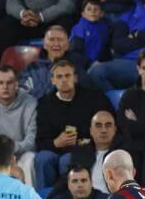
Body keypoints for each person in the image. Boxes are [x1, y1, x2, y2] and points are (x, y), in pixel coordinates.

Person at [35, 60, 113, 189]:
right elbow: (40, 140)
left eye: (68, 76)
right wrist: (55, 143)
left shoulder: (94, 97)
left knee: (67, 160)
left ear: (75, 78)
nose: (64, 80)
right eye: (59, 77)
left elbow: (106, 126)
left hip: (85, 148)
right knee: (42, 158)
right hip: (55, 149)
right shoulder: (44, 104)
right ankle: (44, 197)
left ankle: (70, 198)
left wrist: (80, 141)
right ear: (53, 80)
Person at [0, 65, 38, 186]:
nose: (5, 87)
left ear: (16, 84)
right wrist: (3, 154)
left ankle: (27, 197)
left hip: (22, 153)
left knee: (30, 159)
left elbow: (31, 141)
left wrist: (10, 151)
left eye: (9, 83)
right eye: (1, 83)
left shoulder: (31, 104)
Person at [0, 0, 77, 58]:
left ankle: (61, 62)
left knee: (65, 19)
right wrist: (23, 14)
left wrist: (41, 16)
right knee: (7, 24)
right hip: (26, 21)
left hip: (52, 20)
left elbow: (67, 4)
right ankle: (3, 62)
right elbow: (12, 3)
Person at [19, 26, 89, 101]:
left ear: (67, 45)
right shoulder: (32, 67)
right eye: (51, 39)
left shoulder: (76, 65)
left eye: (60, 40)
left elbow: (85, 93)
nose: (56, 44)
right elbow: (21, 95)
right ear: (44, 44)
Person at [69, 0, 111, 68]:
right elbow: (74, 53)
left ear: (101, 13)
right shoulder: (79, 28)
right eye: (89, 9)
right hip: (82, 65)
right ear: (83, 14)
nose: (92, 11)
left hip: (99, 66)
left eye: (96, 9)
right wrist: (89, 63)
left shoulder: (104, 28)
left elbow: (106, 51)